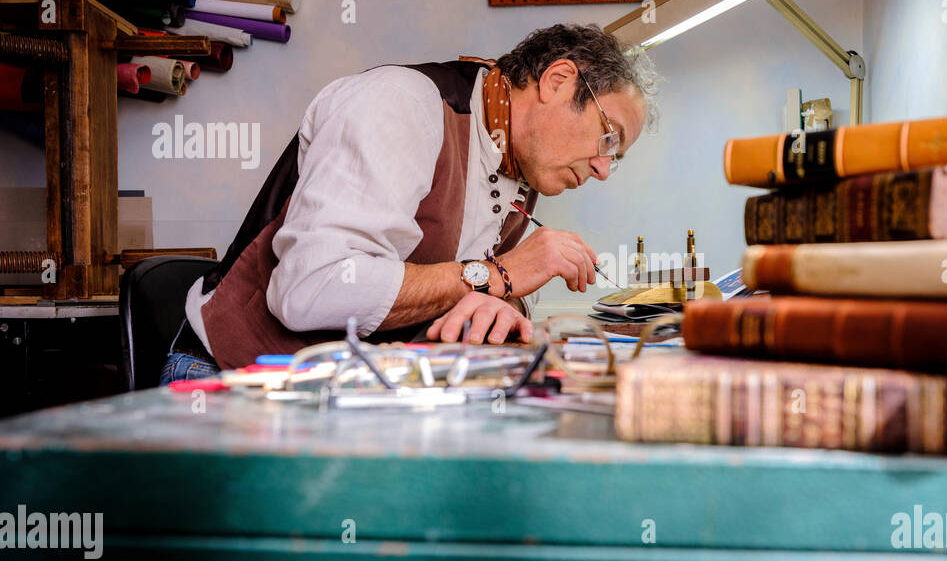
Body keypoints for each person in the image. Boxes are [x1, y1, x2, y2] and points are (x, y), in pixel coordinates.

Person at [159, 23, 657, 380]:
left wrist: (499, 305)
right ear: (557, 81)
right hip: (229, 381)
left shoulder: (518, 167)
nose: (603, 169)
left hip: (346, 394)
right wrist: (496, 276)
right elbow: (309, 289)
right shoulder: (401, 104)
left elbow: (454, 279)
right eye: (608, 138)